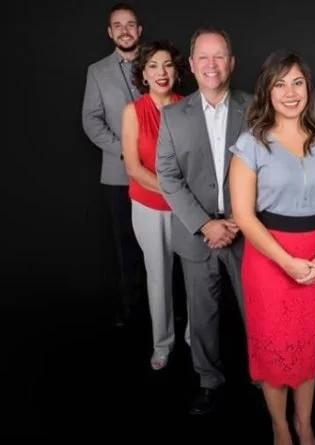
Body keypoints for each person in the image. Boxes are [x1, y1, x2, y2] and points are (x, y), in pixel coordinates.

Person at [229, 50, 315, 445]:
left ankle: (304, 422)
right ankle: (280, 426)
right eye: (280, 83)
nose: (290, 92)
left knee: (308, 343)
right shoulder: (250, 144)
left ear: (308, 88)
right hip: (269, 258)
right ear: (267, 90)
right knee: (273, 346)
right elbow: (244, 217)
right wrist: (287, 262)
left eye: (297, 82)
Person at [155, 27, 252, 415]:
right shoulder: (174, 115)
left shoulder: (257, 106)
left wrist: (239, 221)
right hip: (197, 235)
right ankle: (209, 383)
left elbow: (272, 169)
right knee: (203, 316)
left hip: (247, 231)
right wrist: (204, 223)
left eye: (219, 56)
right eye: (204, 57)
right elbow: (167, 175)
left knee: (257, 312)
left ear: (231, 63)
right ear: (192, 65)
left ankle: (265, 379)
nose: (212, 65)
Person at [121, 40, 188, 370]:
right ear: (143, 74)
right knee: (158, 277)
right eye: (153, 66)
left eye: (167, 65)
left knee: (196, 275)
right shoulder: (133, 111)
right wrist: (174, 191)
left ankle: (194, 334)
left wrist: (183, 198)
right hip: (149, 206)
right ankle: (163, 344)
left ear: (176, 72)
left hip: (188, 209)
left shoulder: (189, 107)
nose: (161, 72)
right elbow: (133, 168)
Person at [82, 3, 144, 327]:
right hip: (118, 174)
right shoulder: (97, 71)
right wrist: (125, 151)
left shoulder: (157, 65)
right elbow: (91, 122)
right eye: (118, 25)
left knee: (165, 245)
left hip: (160, 176)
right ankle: (131, 310)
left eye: (130, 24)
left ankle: (167, 310)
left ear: (139, 30)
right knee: (127, 246)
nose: (124, 30)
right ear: (110, 33)